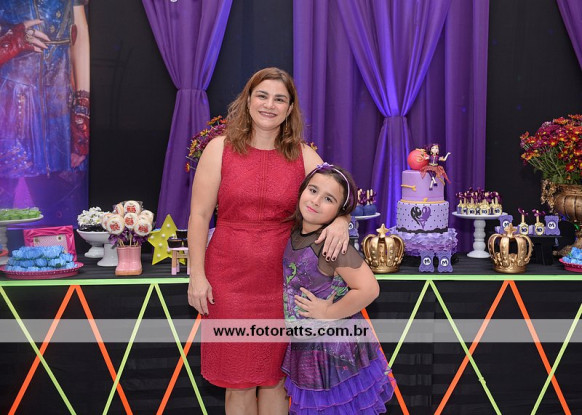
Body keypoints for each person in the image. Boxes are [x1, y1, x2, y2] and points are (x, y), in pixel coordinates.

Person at [187, 67, 350, 415]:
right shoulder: (218, 150)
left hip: (283, 283)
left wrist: (342, 221)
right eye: (262, 96)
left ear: (289, 109)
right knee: (238, 382)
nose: (269, 105)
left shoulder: (304, 156)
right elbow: (199, 216)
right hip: (227, 281)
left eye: (279, 99)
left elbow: (341, 195)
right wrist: (196, 276)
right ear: (248, 100)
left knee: (276, 380)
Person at [281, 163, 395, 414]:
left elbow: (369, 289)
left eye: (328, 199)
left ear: (340, 210)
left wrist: (328, 313)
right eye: (313, 191)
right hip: (307, 347)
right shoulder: (296, 232)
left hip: (332, 352)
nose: (316, 201)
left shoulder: (331, 245)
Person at [0, 0, 90, 225]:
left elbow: (78, 37)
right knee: (6, 205)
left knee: (59, 214)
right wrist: (10, 40)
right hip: (9, 103)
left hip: (58, 106)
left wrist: (82, 108)